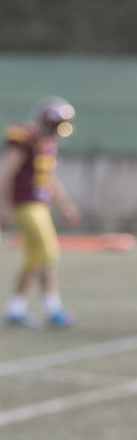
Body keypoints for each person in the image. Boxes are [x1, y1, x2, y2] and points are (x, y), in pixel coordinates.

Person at [0, 97, 79, 328]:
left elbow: (48, 179)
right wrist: (3, 205)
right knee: (47, 253)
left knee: (39, 256)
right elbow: (6, 172)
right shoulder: (26, 139)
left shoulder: (45, 144)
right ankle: (37, 307)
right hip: (25, 204)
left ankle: (31, 307)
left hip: (38, 205)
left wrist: (64, 206)